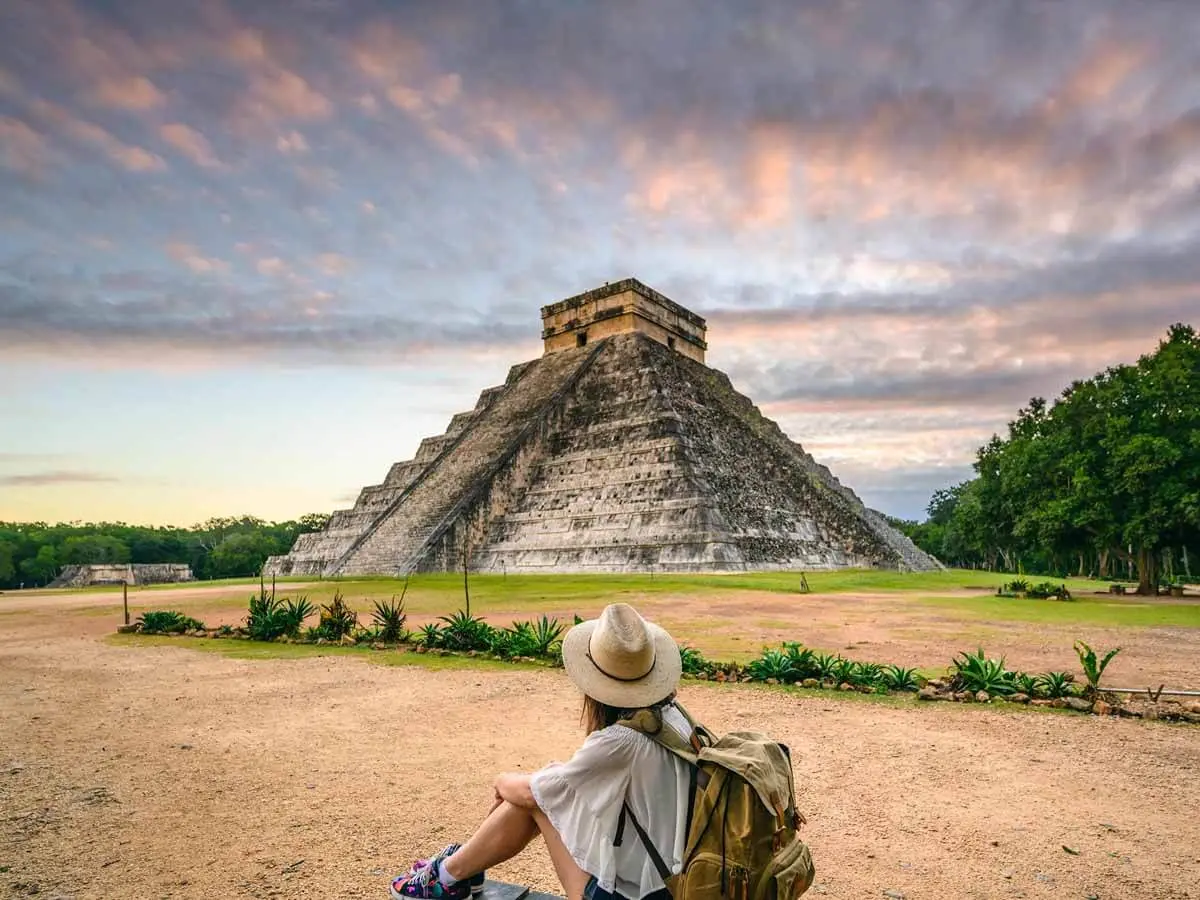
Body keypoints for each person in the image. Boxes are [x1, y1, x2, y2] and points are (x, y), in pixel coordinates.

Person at [390, 603, 692, 900]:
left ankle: (447, 876)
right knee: (545, 786)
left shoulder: (621, 741)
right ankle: (456, 871)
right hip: (677, 880)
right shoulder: (674, 719)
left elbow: (536, 794)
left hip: (641, 894)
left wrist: (501, 780)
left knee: (536, 798)